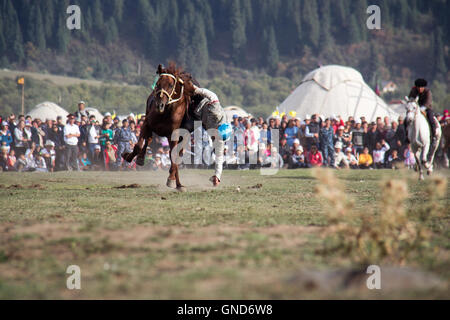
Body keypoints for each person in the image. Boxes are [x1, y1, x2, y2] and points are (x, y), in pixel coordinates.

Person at [192, 84, 230, 186]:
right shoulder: (216, 110)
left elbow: (219, 158)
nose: (214, 138)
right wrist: (196, 89)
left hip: (196, 115)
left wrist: (217, 176)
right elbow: (211, 95)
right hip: (200, 100)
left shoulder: (220, 139)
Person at [406, 79, 437, 145]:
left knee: (431, 120)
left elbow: (428, 102)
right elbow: (410, 99)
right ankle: (406, 136)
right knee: (406, 119)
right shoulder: (413, 90)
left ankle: (434, 137)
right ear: (416, 87)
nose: (420, 89)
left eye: (421, 87)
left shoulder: (428, 92)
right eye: (418, 87)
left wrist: (421, 109)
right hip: (415, 109)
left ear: (424, 87)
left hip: (426, 108)